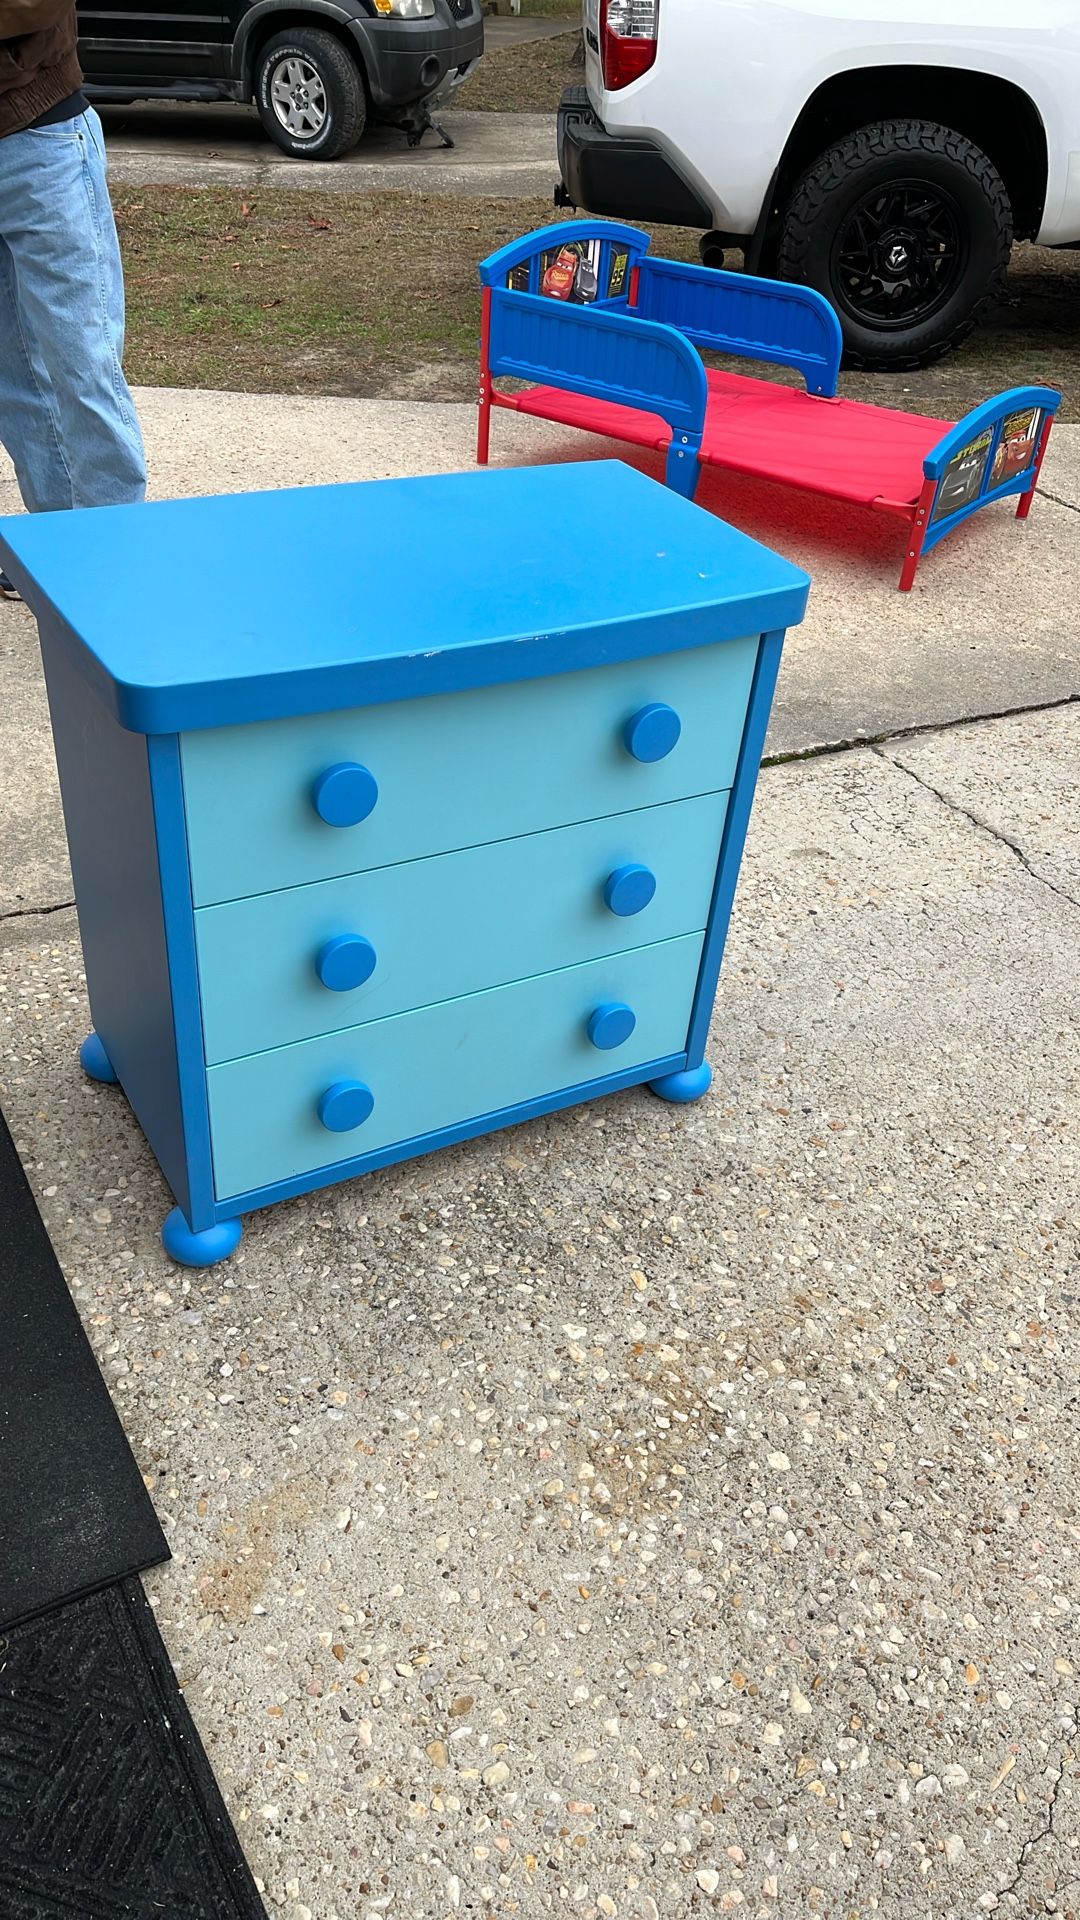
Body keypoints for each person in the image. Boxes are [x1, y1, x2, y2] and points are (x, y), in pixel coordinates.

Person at [0, 0, 146, 597]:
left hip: (40, 137)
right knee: (12, 374)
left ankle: (121, 571)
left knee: (81, 361)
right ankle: (60, 554)